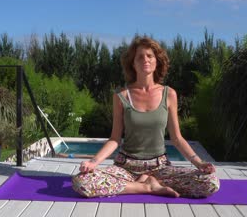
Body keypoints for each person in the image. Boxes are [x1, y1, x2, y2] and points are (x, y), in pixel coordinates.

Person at [72, 37, 220, 198]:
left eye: (149, 55)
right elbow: (114, 139)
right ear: (133, 64)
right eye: (139, 57)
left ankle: (140, 185)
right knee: (82, 182)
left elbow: (177, 138)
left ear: (157, 61)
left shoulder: (169, 94)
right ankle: (147, 187)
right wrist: (93, 163)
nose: (145, 59)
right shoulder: (121, 96)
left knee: (211, 182)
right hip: (126, 168)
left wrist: (199, 163)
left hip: (160, 168)